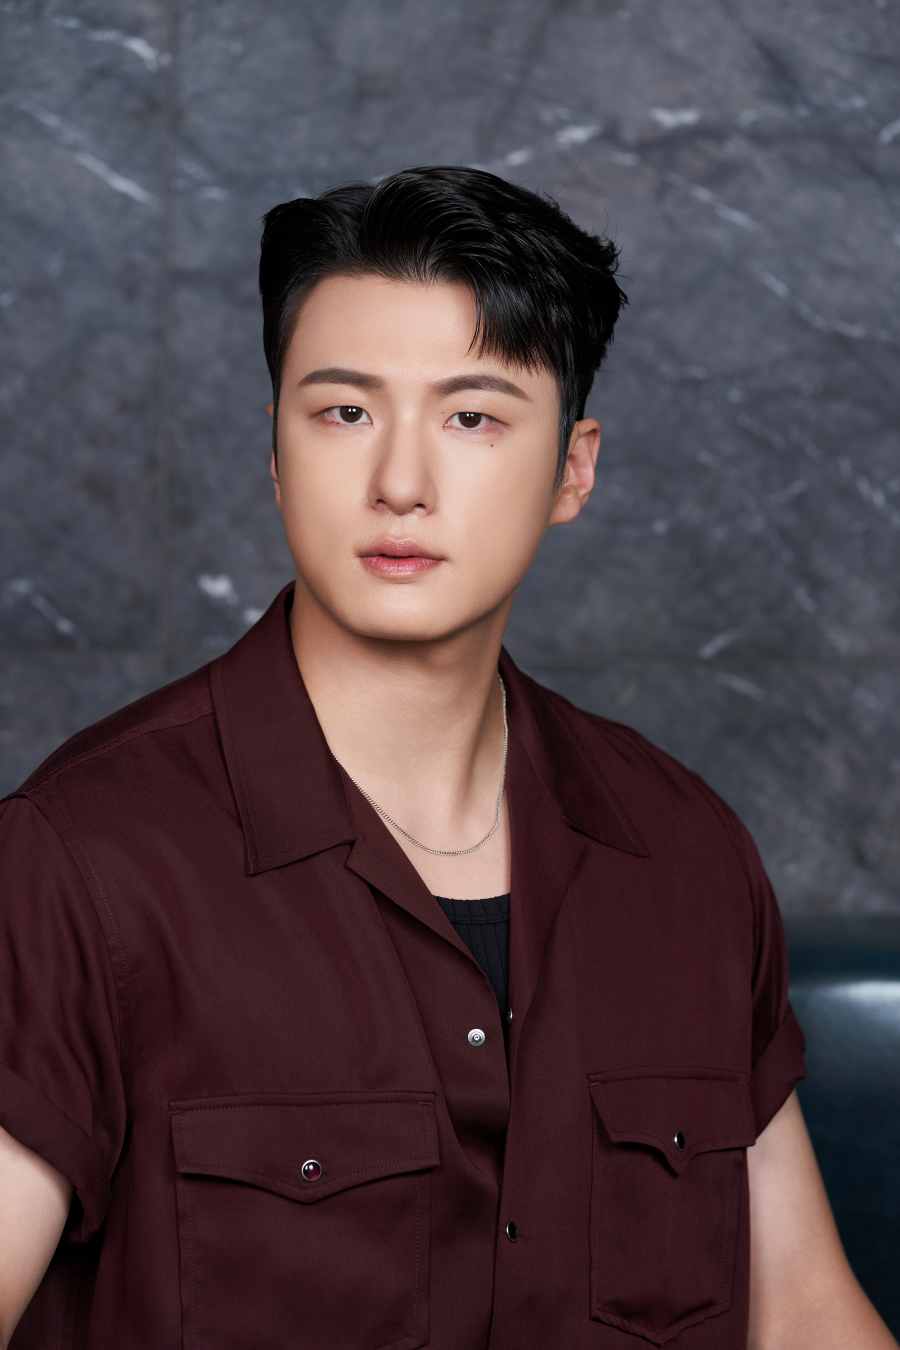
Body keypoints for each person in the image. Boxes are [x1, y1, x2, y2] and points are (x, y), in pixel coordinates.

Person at [0, 164, 895, 1350]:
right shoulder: (78, 861)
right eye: (345, 413)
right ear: (276, 453)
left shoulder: (684, 854)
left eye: (472, 417)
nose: (400, 485)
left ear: (573, 468)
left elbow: (805, 1319)